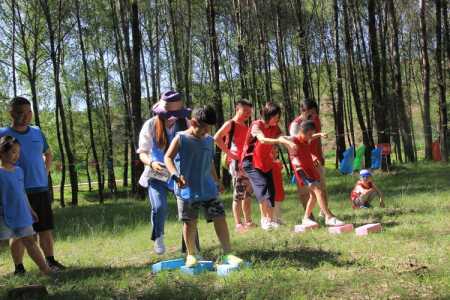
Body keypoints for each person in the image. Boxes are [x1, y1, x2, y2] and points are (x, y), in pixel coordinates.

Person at [164, 105, 243, 267]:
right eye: (204, 128)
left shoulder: (208, 140)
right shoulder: (181, 138)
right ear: (193, 122)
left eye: (209, 129)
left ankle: (228, 253)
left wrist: (217, 181)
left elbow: (210, 163)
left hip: (207, 187)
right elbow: (168, 158)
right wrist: (175, 175)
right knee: (189, 221)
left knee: (219, 217)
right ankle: (191, 254)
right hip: (187, 189)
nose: (206, 132)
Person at [0, 97, 64, 274]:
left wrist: (45, 172)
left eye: (29, 111)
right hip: (15, 193)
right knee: (18, 233)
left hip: (40, 188)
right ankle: (19, 267)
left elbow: (48, 154)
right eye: (22, 112)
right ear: (12, 113)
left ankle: (50, 261)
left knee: (45, 228)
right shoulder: (3, 133)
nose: (27, 116)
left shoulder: (37, 132)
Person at [137, 90, 193, 255]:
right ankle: (159, 236)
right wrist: (152, 163)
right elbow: (142, 152)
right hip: (157, 172)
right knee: (159, 207)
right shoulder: (150, 125)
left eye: (175, 114)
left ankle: (190, 247)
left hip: (178, 172)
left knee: (188, 210)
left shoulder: (185, 123)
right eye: (169, 114)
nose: (172, 118)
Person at [0, 136, 53, 275]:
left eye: (18, 152)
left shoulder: (19, 171)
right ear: (1, 152)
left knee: (30, 241)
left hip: (22, 213)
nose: (16, 156)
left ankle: (46, 270)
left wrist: (30, 210)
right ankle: (17, 269)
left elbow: (22, 192)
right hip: (4, 215)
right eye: (13, 152)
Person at [241, 102, 296, 230]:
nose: (277, 120)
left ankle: (272, 220)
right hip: (250, 161)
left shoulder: (274, 127)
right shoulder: (256, 125)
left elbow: (282, 137)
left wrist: (290, 145)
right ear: (267, 115)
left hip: (265, 161)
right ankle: (264, 220)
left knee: (271, 190)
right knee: (262, 186)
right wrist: (279, 141)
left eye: (278, 117)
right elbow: (262, 139)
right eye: (275, 117)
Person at [289, 120, 344, 227]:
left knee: (314, 196)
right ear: (301, 131)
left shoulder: (306, 139)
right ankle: (328, 217)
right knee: (317, 190)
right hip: (301, 170)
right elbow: (281, 138)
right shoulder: (294, 140)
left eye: (311, 134)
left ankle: (305, 218)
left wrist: (320, 134)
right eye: (309, 134)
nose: (310, 137)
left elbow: (312, 137)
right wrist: (288, 142)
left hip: (310, 169)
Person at [214, 99, 256, 233]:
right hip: (237, 163)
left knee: (247, 193)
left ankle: (248, 221)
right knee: (238, 193)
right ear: (237, 109)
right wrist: (230, 154)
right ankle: (238, 223)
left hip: (247, 163)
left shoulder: (246, 125)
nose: (247, 114)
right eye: (245, 111)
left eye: (250, 112)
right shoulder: (230, 124)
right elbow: (216, 138)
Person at [289, 99, 327, 216]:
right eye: (311, 112)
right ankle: (309, 216)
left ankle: (324, 212)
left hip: (315, 159)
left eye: (315, 112)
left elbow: (314, 140)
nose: (314, 115)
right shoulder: (296, 124)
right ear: (304, 111)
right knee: (305, 191)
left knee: (321, 186)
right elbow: (298, 144)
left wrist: (320, 154)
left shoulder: (314, 121)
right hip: (302, 162)